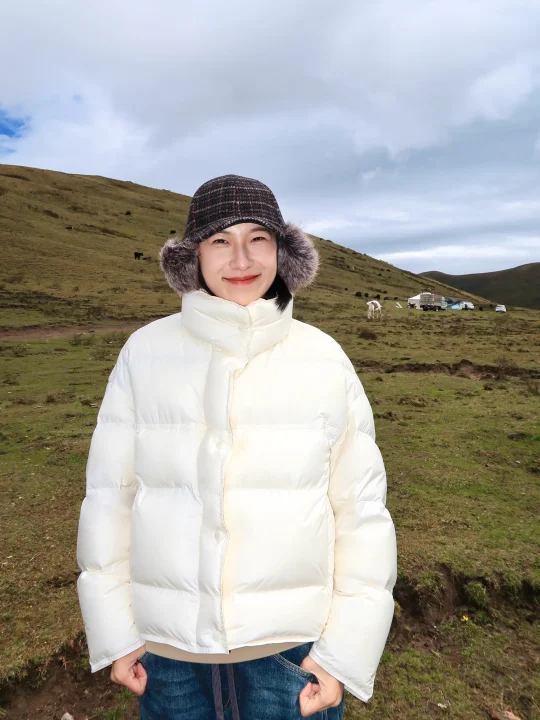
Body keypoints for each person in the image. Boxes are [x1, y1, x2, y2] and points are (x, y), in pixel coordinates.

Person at [76, 174, 398, 719]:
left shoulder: (325, 359)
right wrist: (114, 633)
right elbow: (110, 500)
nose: (241, 259)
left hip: (294, 655)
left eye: (258, 238)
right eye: (220, 240)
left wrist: (344, 655)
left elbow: (362, 513)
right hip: (167, 656)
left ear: (282, 251)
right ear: (194, 256)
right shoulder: (143, 354)